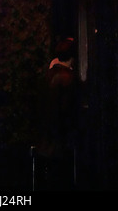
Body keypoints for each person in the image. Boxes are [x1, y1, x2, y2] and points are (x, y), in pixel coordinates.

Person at [37, 38, 78, 190]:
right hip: (61, 138)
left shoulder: (47, 75)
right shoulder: (69, 78)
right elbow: (67, 110)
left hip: (46, 137)